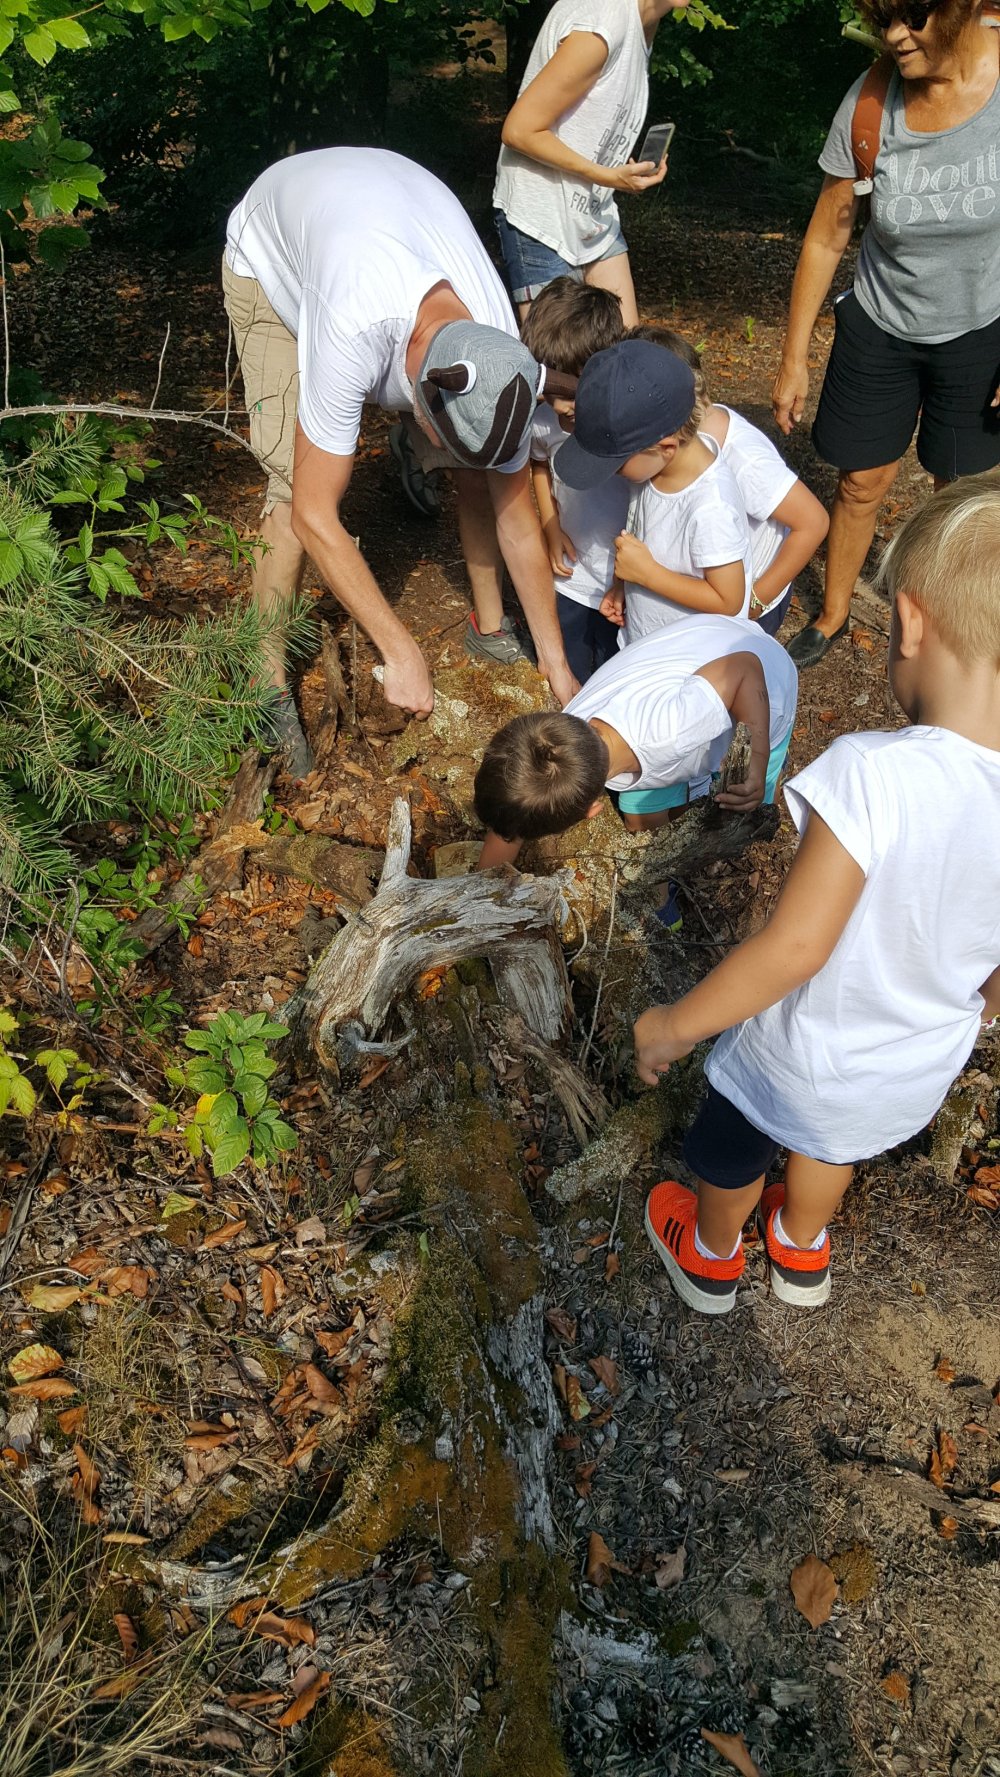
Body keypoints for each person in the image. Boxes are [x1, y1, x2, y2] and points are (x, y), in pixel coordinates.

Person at [632, 469, 1000, 1317]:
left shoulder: (876, 773)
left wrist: (674, 1027)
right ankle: (800, 1245)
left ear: (911, 621)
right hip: (909, 1067)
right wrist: (979, 1008)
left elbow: (796, 947)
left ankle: (712, 1256)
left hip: (802, 1054)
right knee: (833, 1142)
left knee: (735, 1137)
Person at [223, 146, 579, 776]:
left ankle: (490, 621)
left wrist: (555, 659)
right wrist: (400, 649)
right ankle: (264, 681)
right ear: (419, 402)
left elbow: (517, 518)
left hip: (381, 208)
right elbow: (313, 514)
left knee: (483, 475)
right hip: (272, 257)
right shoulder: (352, 325)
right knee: (288, 494)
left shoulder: (501, 351)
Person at [772, 0, 1000, 669]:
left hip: (978, 327)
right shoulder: (871, 103)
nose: (895, 36)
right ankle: (833, 613)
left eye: (913, 16)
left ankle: (953, 620)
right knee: (861, 482)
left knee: (957, 487)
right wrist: (793, 356)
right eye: (883, 19)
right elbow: (828, 234)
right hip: (882, 323)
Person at [474, 614, 798, 867]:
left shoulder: (669, 732)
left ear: (592, 810)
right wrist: (484, 893)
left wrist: (757, 763)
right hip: (697, 649)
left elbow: (744, 667)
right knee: (657, 801)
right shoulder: (560, 737)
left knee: (749, 797)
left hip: (765, 681)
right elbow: (514, 815)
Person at [493, 0, 690, 324]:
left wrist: (618, 171)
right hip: (541, 218)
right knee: (561, 355)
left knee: (629, 348)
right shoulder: (602, 23)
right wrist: (608, 176)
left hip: (594, 214)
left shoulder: (643, 23)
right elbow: (519, 130)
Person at [631, 325, 830, 635]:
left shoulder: (743, 458)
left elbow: (813, 522)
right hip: (699, 593)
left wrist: (755, 603)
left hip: (745, 600)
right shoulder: (665, 451)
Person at [555, 340, 754, 646]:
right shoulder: (652, 470)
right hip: (644, 640)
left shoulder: (711, 507)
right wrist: (625, 586)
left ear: (666, 447)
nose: (612, 474)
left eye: (616, 464)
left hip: (691, 656)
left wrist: (647, 575)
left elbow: (728, 600)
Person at [520, 277, 628, 682]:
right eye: (549, 390)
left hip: (623, 580)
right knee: (574, 672)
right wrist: (550, 525)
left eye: (568, 389)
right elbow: (539, 464)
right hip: (571, 577)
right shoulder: (544, 421)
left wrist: (628, 578)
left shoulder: (626, 424)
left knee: (617, 675)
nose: (559, 405)